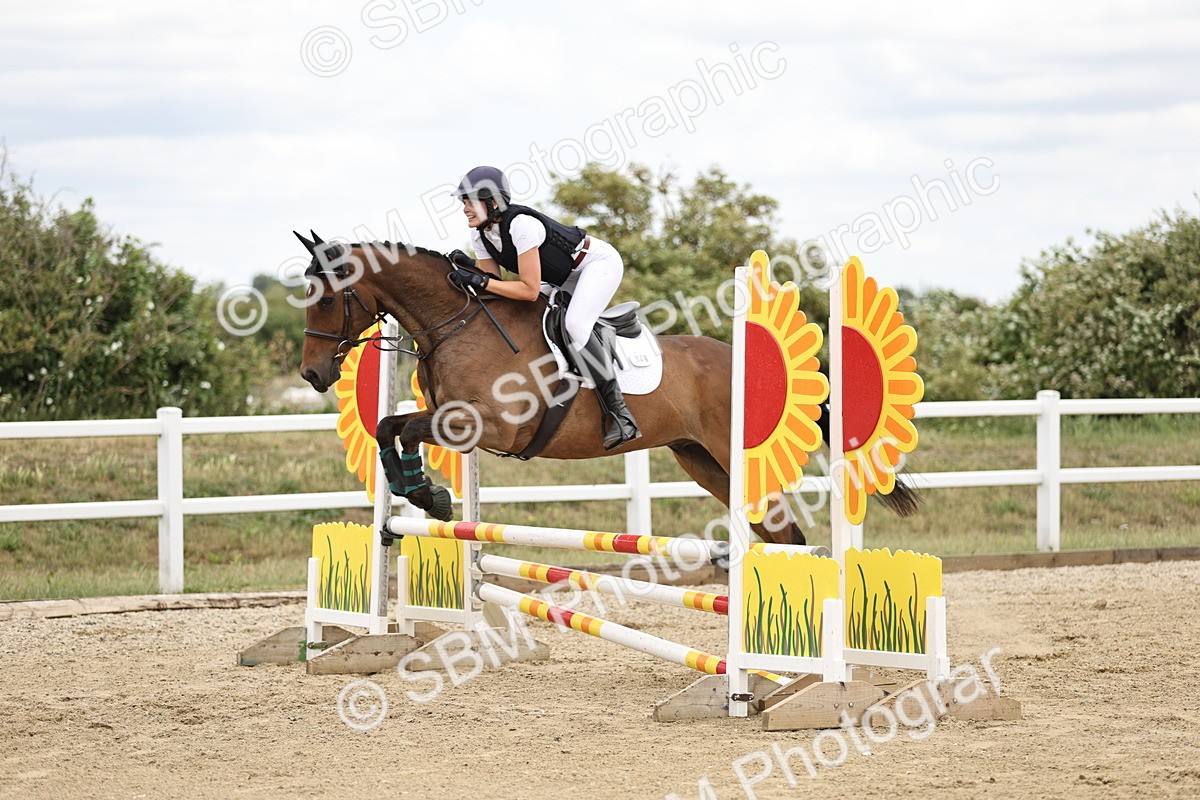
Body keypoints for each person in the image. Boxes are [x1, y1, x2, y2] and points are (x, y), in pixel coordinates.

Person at [449, 165, 640, 450]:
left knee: (575, 324)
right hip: (558, 278)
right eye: (463, 202)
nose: (465, 208)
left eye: (470, 201)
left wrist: (481, 281)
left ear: (492, 202)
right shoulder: (481, 235)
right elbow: (494, 286)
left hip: (595, 265)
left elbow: (527, 290)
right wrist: (471, 274)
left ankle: (620, 414)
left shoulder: (521, 225)